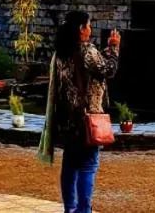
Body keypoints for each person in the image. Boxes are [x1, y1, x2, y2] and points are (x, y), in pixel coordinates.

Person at [37, 11, 120, 213]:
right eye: (89, 25)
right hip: (86, 118)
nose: (90, 29)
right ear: (82, 29)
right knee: (88, 165)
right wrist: (113, 48)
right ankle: (83, 210)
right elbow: (108, 70)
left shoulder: (60, 53)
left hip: (66, 117)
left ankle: (70, 208)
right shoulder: (87, 51)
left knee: (70, 165)